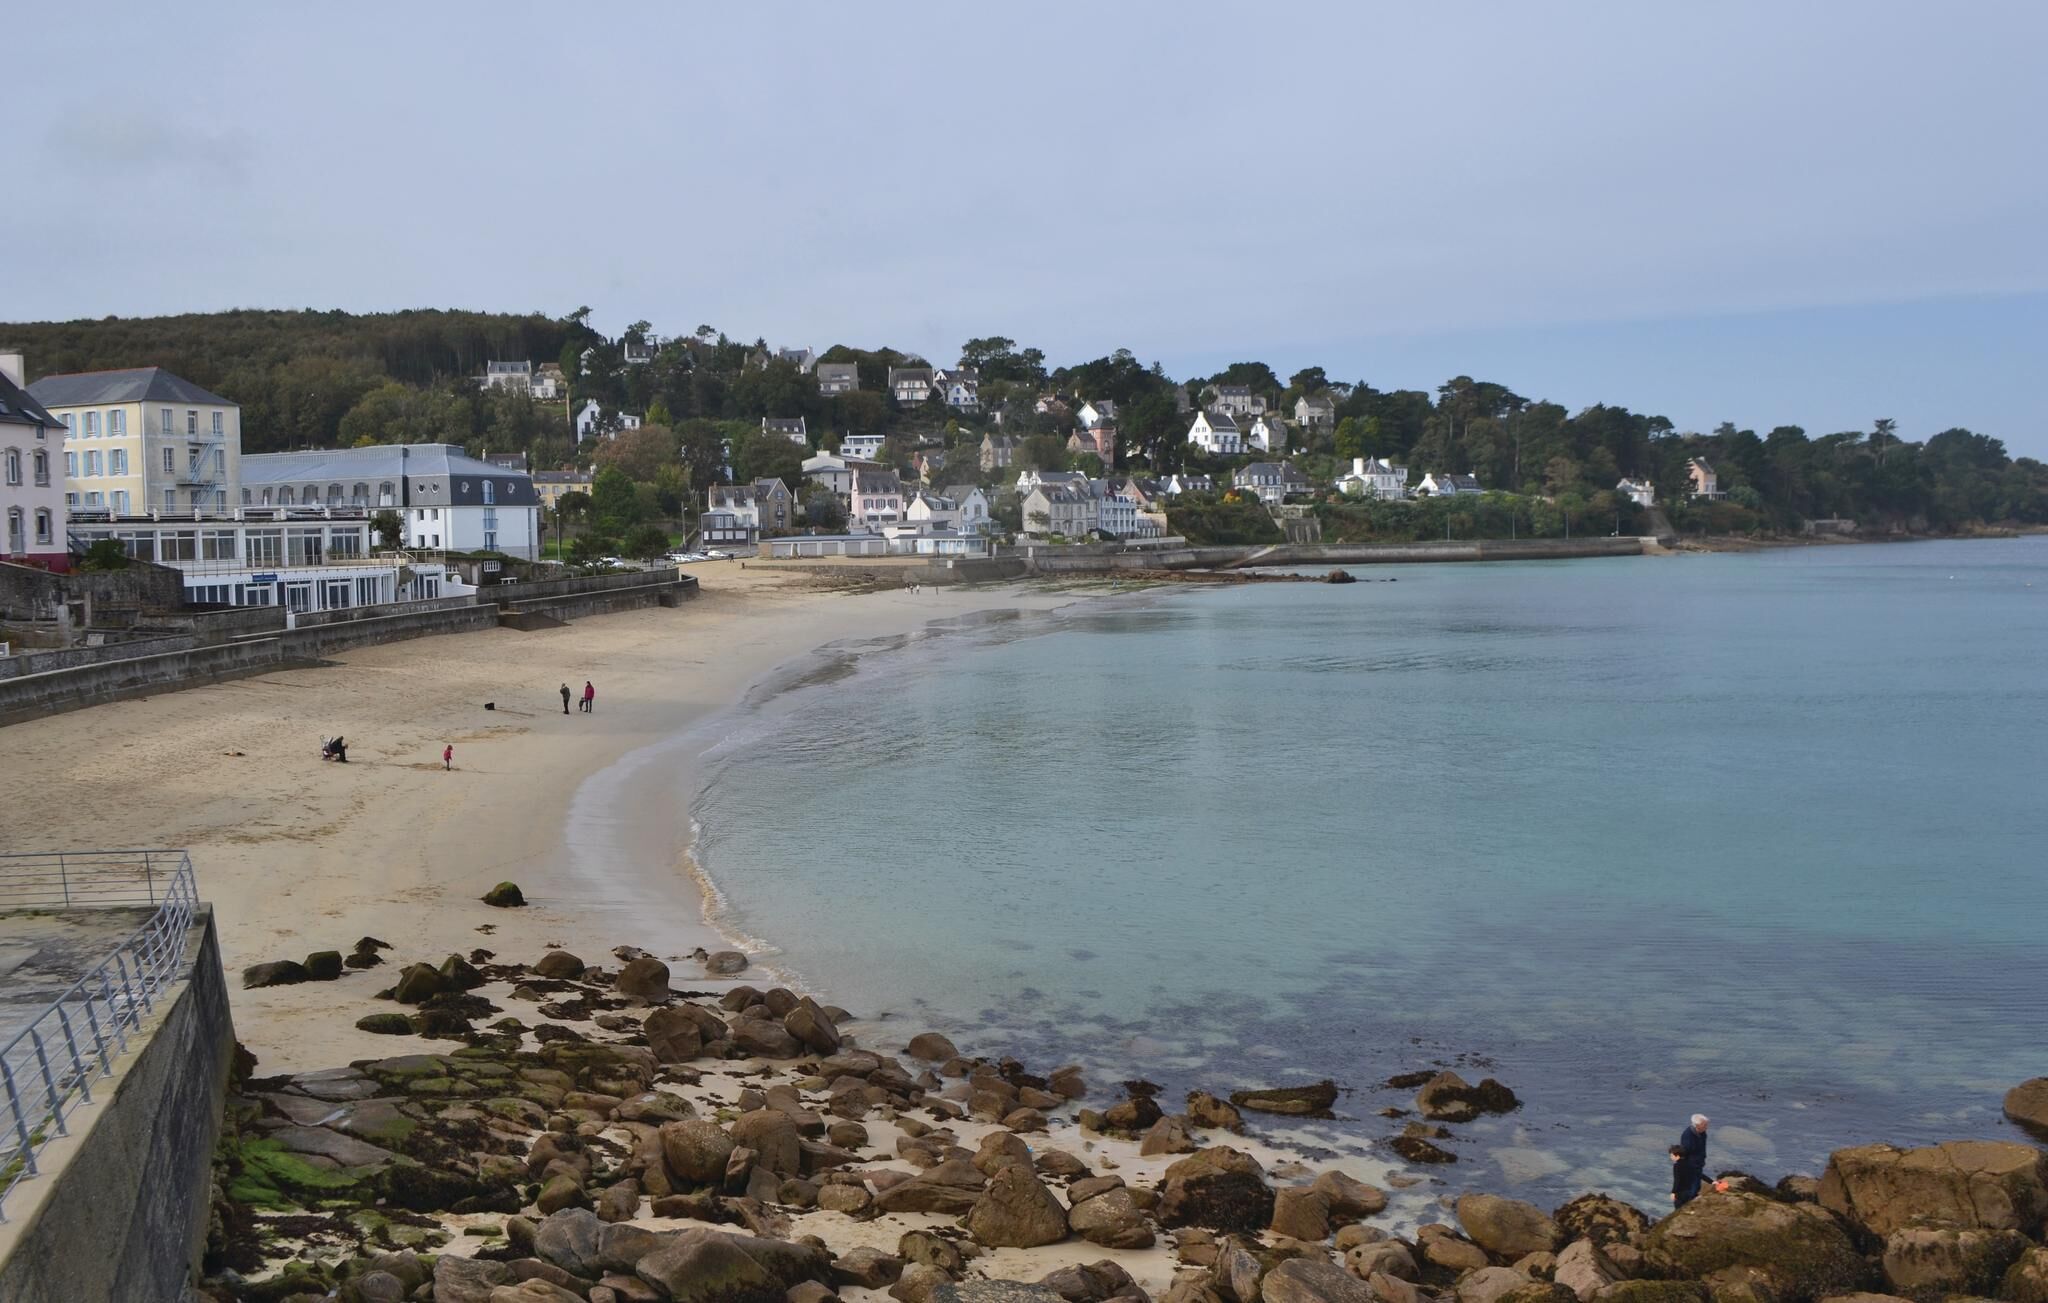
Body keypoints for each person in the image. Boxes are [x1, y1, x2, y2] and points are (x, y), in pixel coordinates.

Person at [1672, 1114, 1728, 1206]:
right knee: (1690, 1187)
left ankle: (1692, 1200)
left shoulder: (1702, 1133)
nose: (1707, 1127)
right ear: (1697, 1126)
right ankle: (1683, 1206)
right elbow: (1684, 1153)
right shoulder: (1687, 1136)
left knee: (1696, 1185)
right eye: (1705, 1125)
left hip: (1698, 1163)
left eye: (1706, 1125)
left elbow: (1702, 1148)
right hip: (1690, 1165)